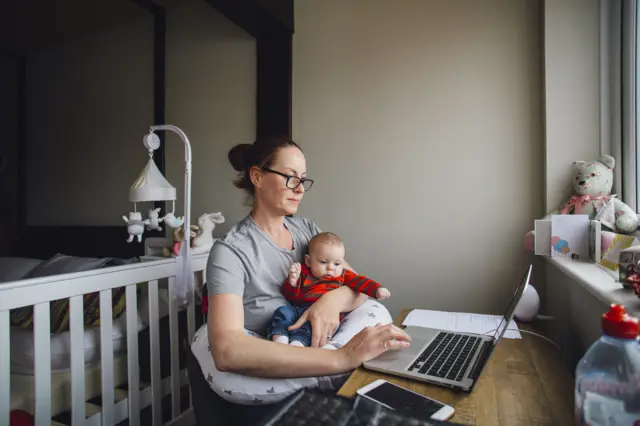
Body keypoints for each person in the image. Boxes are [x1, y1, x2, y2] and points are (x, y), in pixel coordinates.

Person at [190, 134, 411, 411]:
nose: (299, 189)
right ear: (257, 177)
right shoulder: (230, 251)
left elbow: (357, 287)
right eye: (290, 177)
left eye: (303, 179)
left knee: (376, 310)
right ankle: (335, 371)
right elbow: (227, 350)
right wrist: (342, 358)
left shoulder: (307, 231)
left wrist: (328, 302)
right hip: (278, 343)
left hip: (322, 340)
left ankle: (334, 369)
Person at [267, 231, 392, 348]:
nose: (330, 268)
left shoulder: (343, 275)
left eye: (337, 264)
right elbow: (290, 296)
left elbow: (362, 282)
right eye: (323, 262)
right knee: (282, 311)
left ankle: (297, 343)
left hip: (322, 315)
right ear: (308, 261)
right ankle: (280, 339)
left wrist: (377, 289)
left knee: (310, 327)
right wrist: (292, 283)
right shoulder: (304, 273)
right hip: (298, 308)